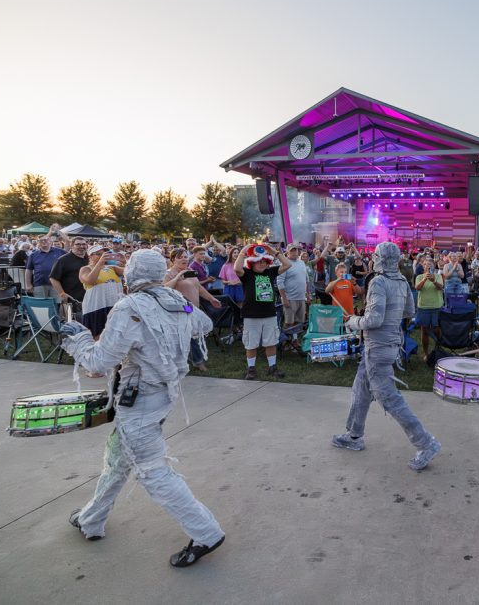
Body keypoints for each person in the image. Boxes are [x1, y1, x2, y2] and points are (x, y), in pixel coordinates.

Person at [58, 249, 225, 567]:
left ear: (133, 273)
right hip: (160, 395)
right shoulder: (175, 302)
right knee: (117, 461)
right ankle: (92, 519)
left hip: (140, 402)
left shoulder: (130, 306)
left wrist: (77, 338)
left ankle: (206, 532)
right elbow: (202, 322)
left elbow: (98, 362)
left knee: (153, 472)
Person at [331, 242, 441, 471]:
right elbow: (409, 311)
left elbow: (374, 320)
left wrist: (353, 321)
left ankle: (426, 443)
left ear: (379, 259)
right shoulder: (401, 280)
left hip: (379, 347)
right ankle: (354, 436)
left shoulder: (379, 282)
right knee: (361, 388)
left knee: (389, 398)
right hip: (387, 344)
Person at [234, 243, 292, 380]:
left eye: (264, 261)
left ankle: (272, 367)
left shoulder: (270, 272)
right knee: (251, 343)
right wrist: (243, 252)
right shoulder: (247, 273)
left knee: (271, 342)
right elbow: (236, 268)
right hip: (251, 314)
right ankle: (251, 369)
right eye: (258, 261)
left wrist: (274, 252)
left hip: (269, 314)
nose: (262, 264)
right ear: (252, 263)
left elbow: (287, 264)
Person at [77, 245, 126, 338]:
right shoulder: (85, 268)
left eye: (104, 254)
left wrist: (125, 261)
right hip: (96, 307)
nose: (102, 256)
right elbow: (89, 280)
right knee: (97, 335)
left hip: (114, 306)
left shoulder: (112, 267)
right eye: (99, 254)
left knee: (116, 335)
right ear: (90, 256)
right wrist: (100, 263)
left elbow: (131, 273)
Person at [414, 256, 444, 356]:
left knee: (437, 329)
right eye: (426, 264)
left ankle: (438, 349)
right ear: (423, 266)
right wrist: (424, 279)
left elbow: (440, 287)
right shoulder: (419, 277)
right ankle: (426, 353)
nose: (428, 266)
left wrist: (434, 281)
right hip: (424, 307)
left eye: (430, 264)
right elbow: (417, 288)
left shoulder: (438, 276)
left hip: (436, 306)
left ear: (433, 266)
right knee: (424, 330)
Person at [276, 243, 309, 329]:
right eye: (292, 251)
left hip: (301, 297)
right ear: (287, 252)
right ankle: (287, 337)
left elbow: (306, 280)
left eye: (296, 250)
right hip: (290, 298)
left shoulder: (302, 263)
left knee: (299, 321)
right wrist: (284, 298)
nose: (294, 252)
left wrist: (308, 295)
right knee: (289, 322)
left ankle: (295, 337)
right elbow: (280, 282)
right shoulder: (284, 264)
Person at [49, 238, 90, 307]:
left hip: (89, 296)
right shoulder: (63, 260)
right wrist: (62, 293)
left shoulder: (90, 258)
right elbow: (53, 278)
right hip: (71, 298)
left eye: (84, 244)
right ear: (72, 246)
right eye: (78, 244)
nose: (81, 246)